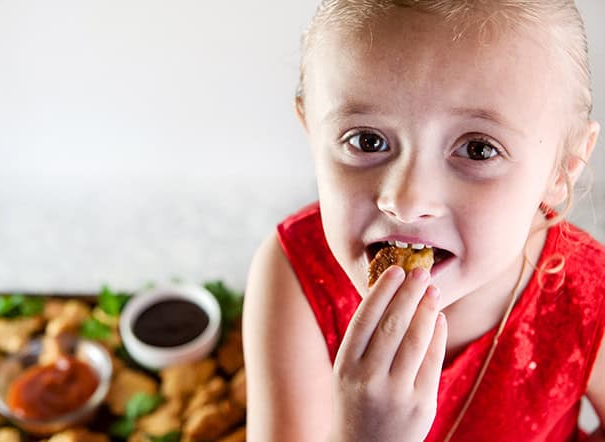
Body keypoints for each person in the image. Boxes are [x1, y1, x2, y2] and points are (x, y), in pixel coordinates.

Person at [243, 0, 604, 441]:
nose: (407, 200)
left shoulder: (590, 298)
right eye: (368, 140)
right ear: (312, 132)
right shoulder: (295, 276)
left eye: (478, 149)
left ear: (563, 168)